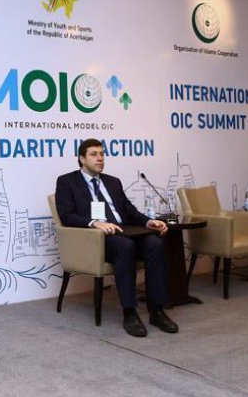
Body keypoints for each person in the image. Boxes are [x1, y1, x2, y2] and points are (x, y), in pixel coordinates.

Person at [54, 139, 177, 337]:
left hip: (124, 231)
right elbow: (66, 215)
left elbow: (129, 211)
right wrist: (94, 223)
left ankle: (157, 311)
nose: (100, 158)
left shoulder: (113, 182)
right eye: (94, 154)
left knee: (154, 243)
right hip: (96, 238)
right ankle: (129, 312)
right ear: (82, 159)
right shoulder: (67, 182)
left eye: (102, 154)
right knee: (125, 246)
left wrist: (148, 222)